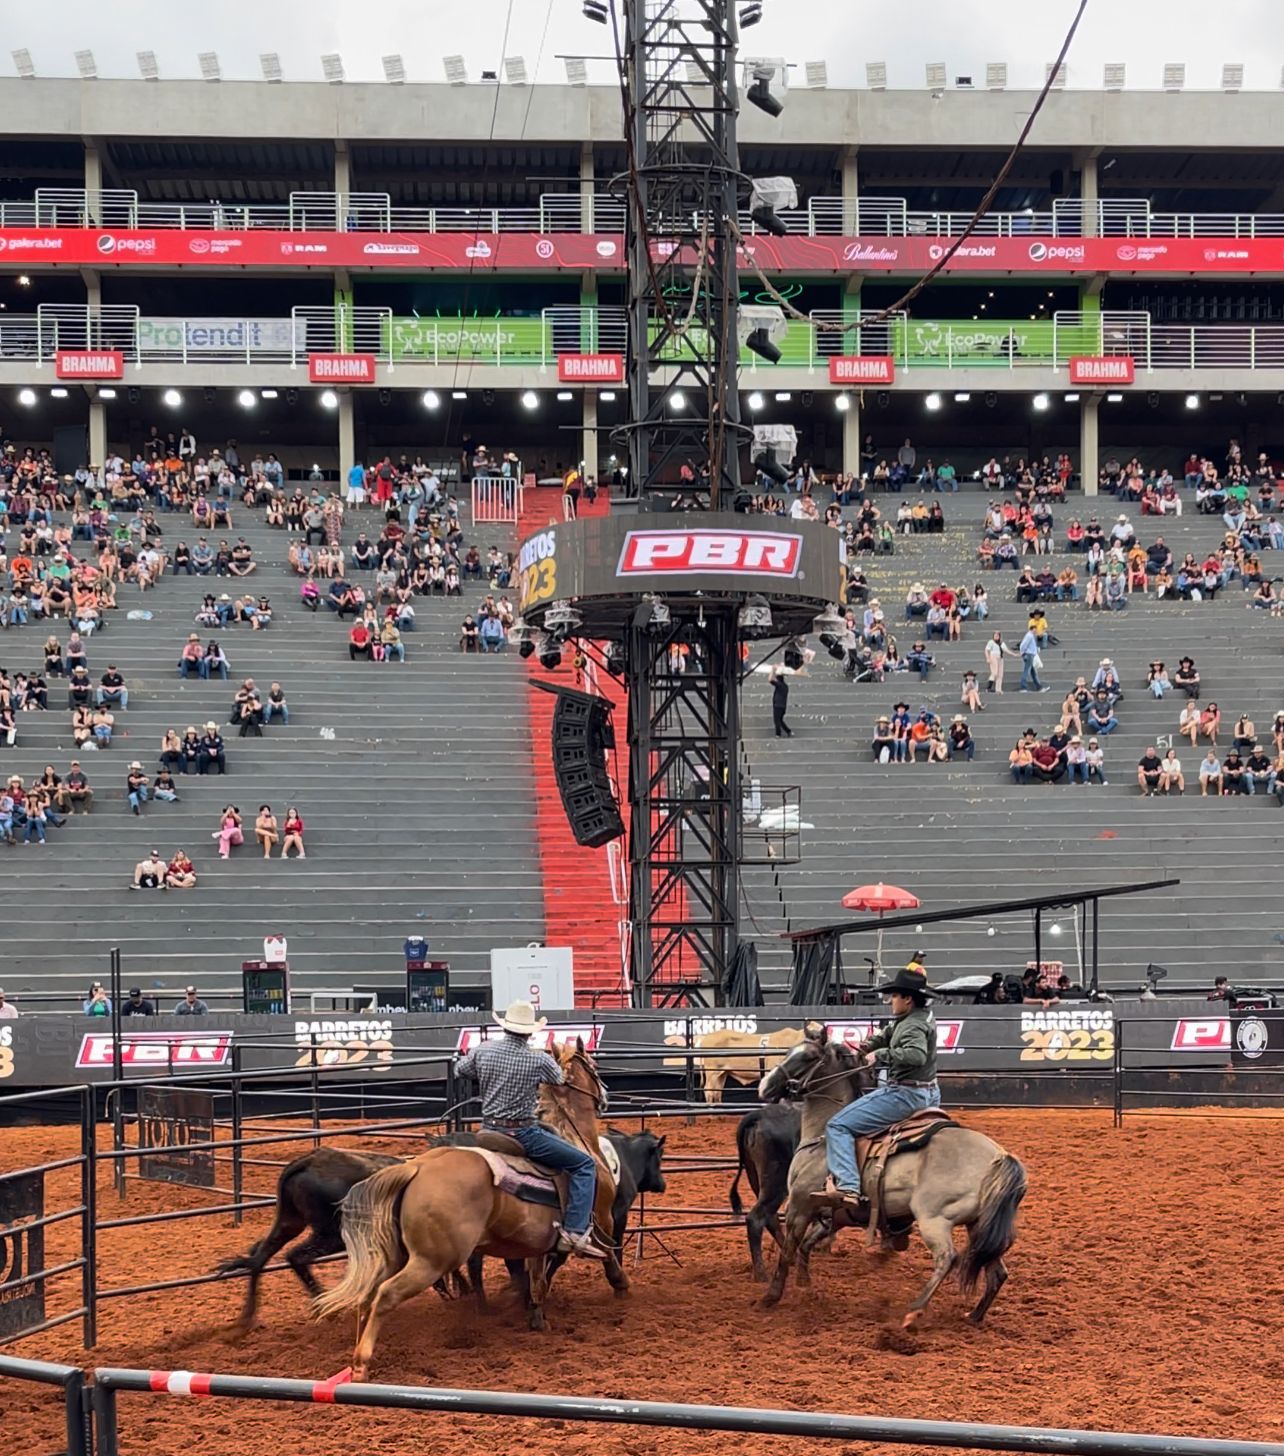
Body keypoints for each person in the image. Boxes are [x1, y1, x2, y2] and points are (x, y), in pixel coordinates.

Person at [454, 1000, 606, 1259]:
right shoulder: (537, 1060)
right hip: (522, 1133)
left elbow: (460, 1069)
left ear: (505, 1027)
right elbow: (560, 1080)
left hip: (489, 1129)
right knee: (584, 1165)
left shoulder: (484, 1050)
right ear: (529, 1032)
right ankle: (574, 1231)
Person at [824, 967, 940, 1208]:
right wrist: (867, 1045)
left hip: (906, 1094)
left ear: (907, 999)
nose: (890, 1001)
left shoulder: (911, 1026)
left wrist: (881, 1054)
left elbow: (916, 1055)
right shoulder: (917, 1017)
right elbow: (888, 1033)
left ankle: (848, 1186)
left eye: (894, 996)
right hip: (930, 1093)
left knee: (837, 1125)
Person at [769, 666, 792, 738]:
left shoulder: (779, 685)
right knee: (780, 720)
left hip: (777, 705)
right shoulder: (785, 686)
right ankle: (788, 731)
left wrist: (773, 670)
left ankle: (778, 734)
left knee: (777, 721)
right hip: (783, 706)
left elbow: (770, 679)